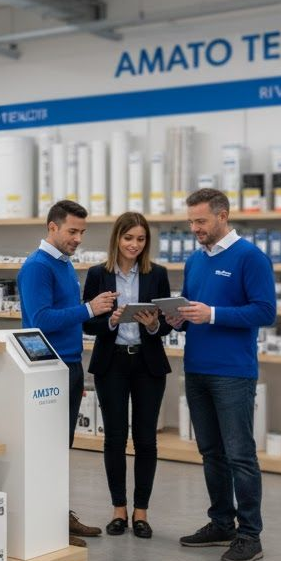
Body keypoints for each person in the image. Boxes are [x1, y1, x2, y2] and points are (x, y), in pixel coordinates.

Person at [169, 188, 276, 561]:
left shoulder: (251, 257)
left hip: (233, 372)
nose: (194, 228)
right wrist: (176, 319)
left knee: (240, 454)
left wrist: (212, 314)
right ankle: (221, 523)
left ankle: (250, 535)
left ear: (223, 216)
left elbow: (265, 312)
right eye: (190, 222)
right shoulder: (195, 261)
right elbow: (191, 311)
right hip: (196, 368)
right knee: (211, 452)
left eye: (200, 221)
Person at [18, 200, 118, 546]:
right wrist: (89, 308)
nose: (78, 238)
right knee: (47, 448)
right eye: (72, 231)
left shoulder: (63, 263)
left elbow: (67, 316)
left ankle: (59, 517)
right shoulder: (37, 267)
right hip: (48, 368)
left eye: (82, 232)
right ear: (53, 227)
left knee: (61, 448)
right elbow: (41, 319)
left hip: (69, 365)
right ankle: (47, 525)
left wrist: (98, 314)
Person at [82, 212, 172, 539]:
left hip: (148, 364)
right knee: (115, 438)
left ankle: (141, 512)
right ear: (117, 238)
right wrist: (110, 320)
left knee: (146, 439)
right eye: (128, 238)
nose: (134, 245)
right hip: (112, 363)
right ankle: (119, 510)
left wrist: (153, 324)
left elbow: (165, 323)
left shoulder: (156, 274)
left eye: (141, 239)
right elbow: (87, 321)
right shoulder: (98, 274)